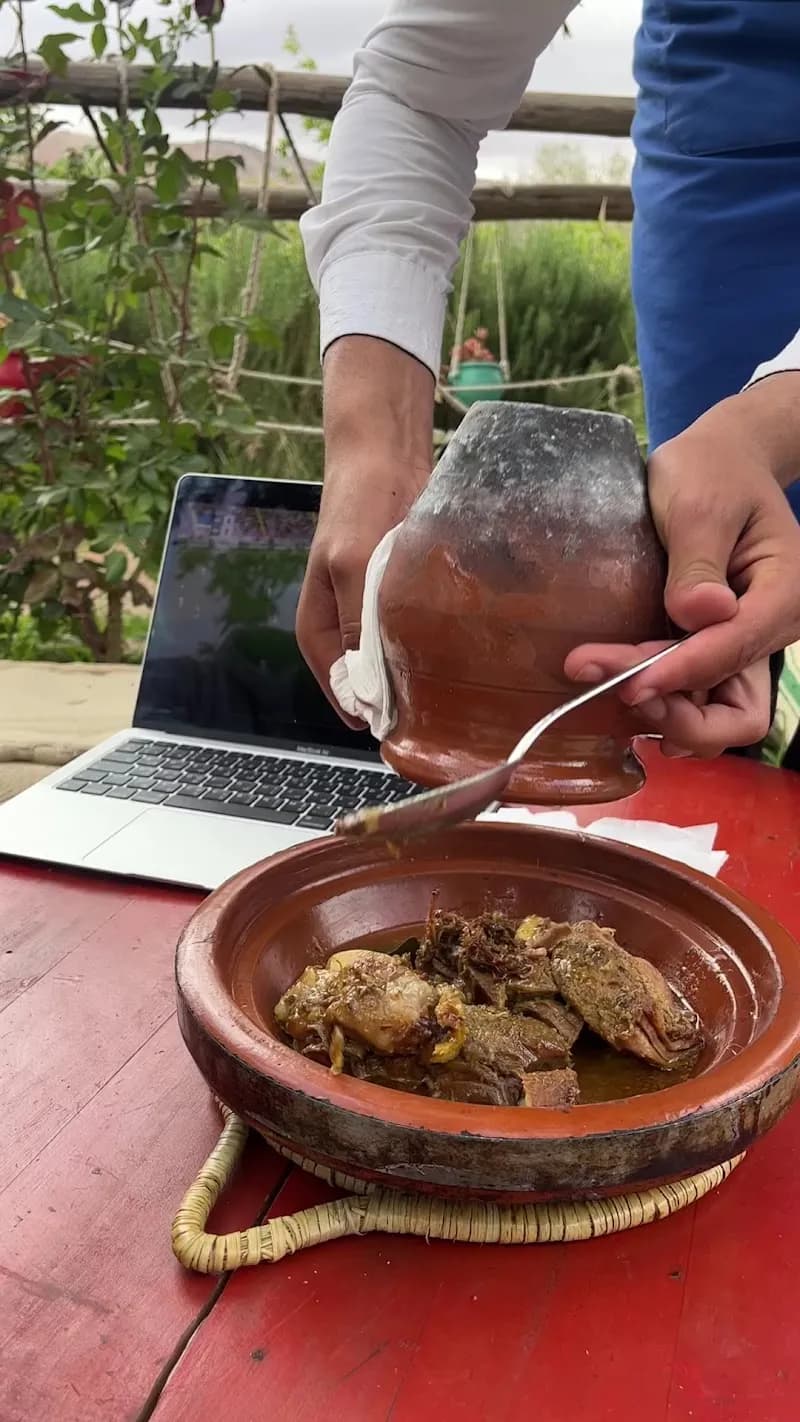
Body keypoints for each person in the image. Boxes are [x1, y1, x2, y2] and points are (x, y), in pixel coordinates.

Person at [296, 0, 800, 763]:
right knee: (711, 623)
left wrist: (769, 427)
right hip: (723, 176)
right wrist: (373, 445)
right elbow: (422, 92)